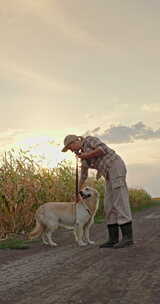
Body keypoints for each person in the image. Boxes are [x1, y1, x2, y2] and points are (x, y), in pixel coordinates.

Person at [61, 134, 133, 249]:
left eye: (70, 148)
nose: (71, 151)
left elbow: (102, 149)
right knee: (108, 205)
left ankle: (128, 238)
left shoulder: (89, 140)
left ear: (75, 142)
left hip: (115, 166)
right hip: (108, 174)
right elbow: (83, 176)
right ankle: (113, 239)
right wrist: (77, 192)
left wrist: (86, 155)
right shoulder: (82, 157)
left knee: (120, 202)